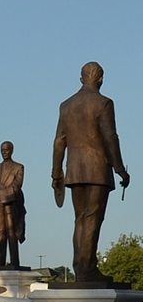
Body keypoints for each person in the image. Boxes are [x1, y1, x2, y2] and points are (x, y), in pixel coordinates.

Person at [52, 62, 128, 283]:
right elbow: (110, 137)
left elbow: (59, 141)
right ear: (101, 79)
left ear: (80, 78)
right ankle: (87, 269)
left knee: (80, 219)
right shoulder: (104, 103)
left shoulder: (66, 105)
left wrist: (56, 170)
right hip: (97, 169)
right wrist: (120, 168)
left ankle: (80, 267)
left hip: (74, 170)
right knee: (93, 217)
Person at [0, 140, 27, 268]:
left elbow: (17, 185)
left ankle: (15, 261)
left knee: (11, 232)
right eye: (2, 150)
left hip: (11, 203)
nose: (4, 152)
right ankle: (1, 260)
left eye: (6, 150)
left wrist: (3, 193)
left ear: (11, 150)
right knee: (0, 232)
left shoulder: (18, 167)